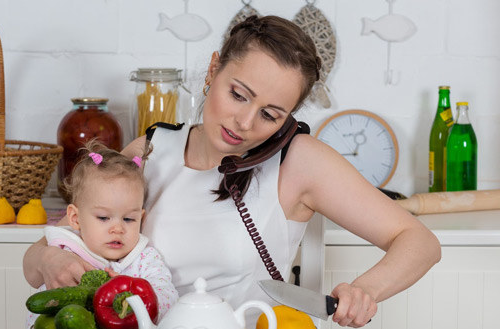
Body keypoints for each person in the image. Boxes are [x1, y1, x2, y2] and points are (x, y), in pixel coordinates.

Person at [24, 15, 441, 328]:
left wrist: (364, 290)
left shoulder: (299, 161)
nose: (244, 122)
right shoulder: (151, 148)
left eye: (270, 114)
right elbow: (39, 257)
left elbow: (418, 241)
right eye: (238, 94)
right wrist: (48, 258)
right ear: (212, 70)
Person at [26, 141, 178, 328]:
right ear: (75, 218)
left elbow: (169, 299)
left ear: (142, 218)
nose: (118, 228)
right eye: (104, 217)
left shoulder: (145, 259)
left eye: (129, 219)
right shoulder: (64, 250)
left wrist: (131, 292)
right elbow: (43, 303)